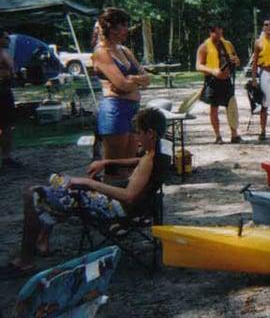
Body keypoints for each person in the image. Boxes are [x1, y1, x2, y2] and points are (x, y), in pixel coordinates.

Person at [2, 107, 169, 276]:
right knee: (56, 180)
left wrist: (89, 183)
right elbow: (138, 161)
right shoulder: (157, 153)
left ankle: (25, 261)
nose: (135, 137)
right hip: (121, 206)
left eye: (138, 132)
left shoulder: (149, 160)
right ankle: (42, 240)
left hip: (114, 210)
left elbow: (128, 196)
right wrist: (106, 162)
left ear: (150, 133)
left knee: (32, 194)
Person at [92, 8, 150, 172]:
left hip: (133, 110)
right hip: (115, 110)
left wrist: (133, 79)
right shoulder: (101, 53)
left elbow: (147, 79)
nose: (127, 29)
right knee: (114, 167)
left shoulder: (124, 50)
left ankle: (126, 196)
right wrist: (132, 81)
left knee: (130, 164)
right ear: (111, 28)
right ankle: (109, 196)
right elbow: (121, 85)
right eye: (123, 25)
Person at [196, 25, 242, 144]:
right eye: (216, 33)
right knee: (214, 108)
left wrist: (236, 62)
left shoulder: (228, 44)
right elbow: (198, 65)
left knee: (231, 106)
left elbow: (236, 60)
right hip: (212, 80)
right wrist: (213, 71)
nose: (219, 36)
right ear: (210, 33)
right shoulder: (204, 47)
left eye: (220, 33)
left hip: (227, 80)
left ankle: (234, 134)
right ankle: (218, 136)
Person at [0, 28, 21, 168]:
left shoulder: (4, 53)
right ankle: (6, 157)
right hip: (2, 92)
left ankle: (6, 157)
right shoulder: (2, 53)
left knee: (6, 126)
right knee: (6, 126)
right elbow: (10, 73)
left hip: (4, 90)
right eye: (6, 38)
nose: (8, 40)